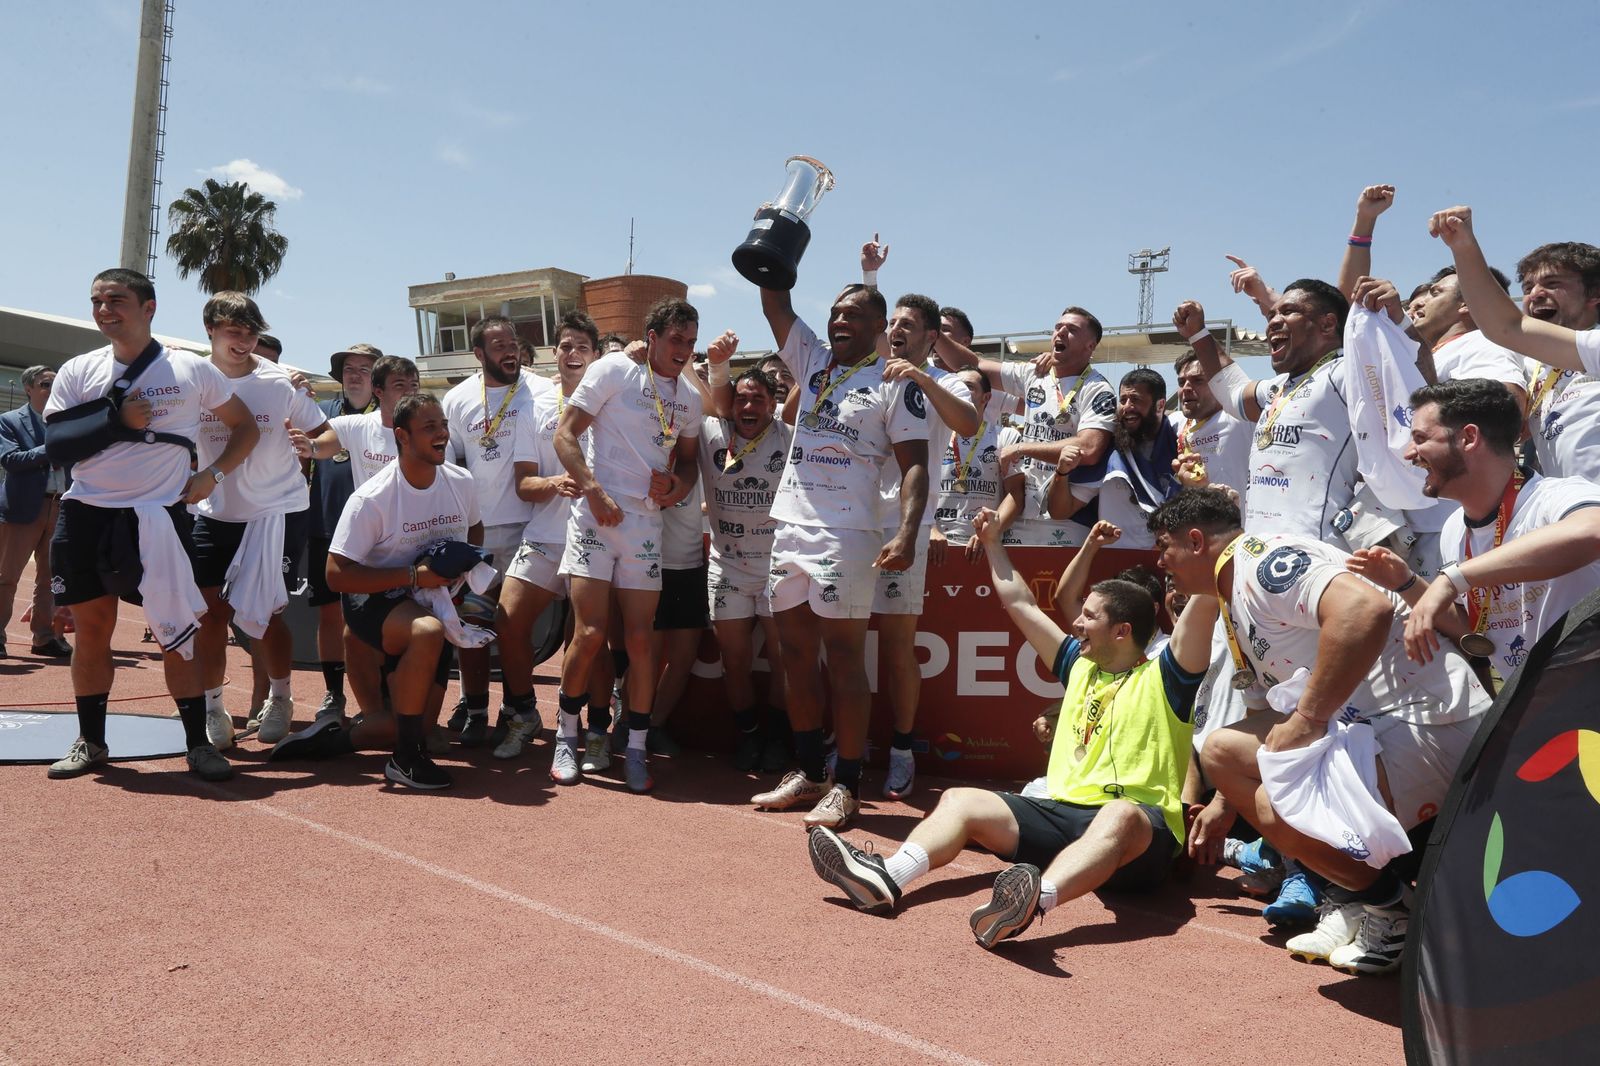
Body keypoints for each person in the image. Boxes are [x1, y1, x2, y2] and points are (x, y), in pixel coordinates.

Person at [807, 506, 1216, 947]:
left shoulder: (1168, 677)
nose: (1075, 621)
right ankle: (886, 876)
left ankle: (1033, 901)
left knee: (1118, 815)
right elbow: (1020, 602)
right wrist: (992, 544)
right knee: (961, 801)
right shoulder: (1078, 665)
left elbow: (1206, 599)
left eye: (1089, 616)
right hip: (1064, 816)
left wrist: (1210, 535)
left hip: (1139, 839)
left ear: (1122, 631)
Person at [1149, 488, 1492, 974]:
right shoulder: (1234, 589)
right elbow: (1265, 707)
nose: (1162, 563)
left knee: (1278, 799)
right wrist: (1226, 802)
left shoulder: (1263, 562)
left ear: (1197, 540)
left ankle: (1384, 908)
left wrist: (1308, 720)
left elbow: (1363, 609)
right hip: (1372, 724)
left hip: (1429, 721)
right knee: (1223, 752)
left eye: (1165, 547)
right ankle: (1363, 898)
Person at [44, 268, 260, 781]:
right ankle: (91, 741)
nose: (104, 310)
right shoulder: (78, 369)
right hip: (86, 513)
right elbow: (57, 445)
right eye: (97, 301)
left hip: (159, 518)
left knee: (175, 633)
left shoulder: (190, 369)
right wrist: (118, 423)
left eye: (116, 300)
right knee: (92, 630)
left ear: (149, 307)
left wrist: (213, 474)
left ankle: (197, 747)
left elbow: (245, 427)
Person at [743, 274, 928, 829]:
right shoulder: (814, 362)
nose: (839, 321)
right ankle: (809, 771)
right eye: (835, 314)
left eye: (853, 316)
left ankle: (846, 783)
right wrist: (780, 235)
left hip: (847, 536)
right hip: (790, 528)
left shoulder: (894, 383)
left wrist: (908, 531)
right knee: (794, 656)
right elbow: (773, 300)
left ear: (878, 328)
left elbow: (916, 463)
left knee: (845, 659)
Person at [1343, 379, 1600, 680]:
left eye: (1421, 438)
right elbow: (1480, 628)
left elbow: (1592, 533)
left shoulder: (1554, 497)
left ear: (1468, 437)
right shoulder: (1454, 529)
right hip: (1537, 704)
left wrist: (1453, 579)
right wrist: (1407, 584)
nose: (1409, 453)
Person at [550, 298, 704, 792]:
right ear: (653, 337)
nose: (683, 350)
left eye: (690, 342)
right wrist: (593, 491)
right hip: (595, 519)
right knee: (590, 635)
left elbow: (688, 465)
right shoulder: (614, 369)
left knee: (641, 643)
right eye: (675, 339)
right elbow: (565, 435)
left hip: (644, 527)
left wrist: (676, 489)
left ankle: (635, 748)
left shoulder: (691, 399)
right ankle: (566, 736)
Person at [315, 393, 482, 790]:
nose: (442, 433)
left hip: (427, 597)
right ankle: (405, 761)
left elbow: (474, 528)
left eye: (442, 425)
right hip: (371, 599)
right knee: (427, 630)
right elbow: (336, 575)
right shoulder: (371, 499)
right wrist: (412, 577)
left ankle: (333, 741)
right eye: (430, 428)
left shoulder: (462, 481)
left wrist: (461, 572)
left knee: (411, 725)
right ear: (402, 436)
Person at [186, 293, 329, 749]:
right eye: (233, 330)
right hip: (213, 512)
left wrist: (313, 447)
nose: (243, 339)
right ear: (210, 328)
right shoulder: (189, 378)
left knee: (266, 616)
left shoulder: (281, 382)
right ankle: (212, 708)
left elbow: (325, 435)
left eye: (250, 331)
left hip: (275, 512)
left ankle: (281, 699)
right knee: (209, 614)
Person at [492, 310, 617, 761]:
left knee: (591, 637)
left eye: (582, 346)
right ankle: (524, 713)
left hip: (596, 538)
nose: (572, 353)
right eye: (565, 345)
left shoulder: (613, 400)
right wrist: (554, 484)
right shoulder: (534, 407)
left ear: (597, 356)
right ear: (555, 353)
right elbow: (524, 482)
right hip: (544, 536)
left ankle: (598, 727)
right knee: (508, 622)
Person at [871, 279, 978, 799]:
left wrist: (920, 377)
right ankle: (830, 745)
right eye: (891, 323)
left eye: (906, 325)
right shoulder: (866, 373)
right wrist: (870, 277)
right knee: (836, 645)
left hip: (902, 530)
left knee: (897, 649)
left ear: (932, 337)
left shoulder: (946, 382)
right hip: (852, 527)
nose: (894, 331)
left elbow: (969, 421)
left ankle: (900, 750)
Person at [1423, 204, 1600, 482]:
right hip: (1575, 513)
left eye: (1552, 283)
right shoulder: (1533, 369)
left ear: (1595, 296)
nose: (1535, 295)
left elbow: (1507, 327)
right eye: (1528, 288)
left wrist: (1464, 247)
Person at [1173, 282, 1359, 544]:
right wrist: (1198, 334)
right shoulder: (1279, 387)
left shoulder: (1347, 373)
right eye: (1272, 315)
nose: (1273, 322)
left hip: (1317, 554)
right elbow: (1232, 390)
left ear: (1328, 324)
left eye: (1288, 312)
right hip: (1259, 550)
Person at [441, 315, 551, 745]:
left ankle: (518, 708)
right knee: (472, 624)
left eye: (514, 343)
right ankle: (475, 707)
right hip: (479, 532)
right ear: (478, 354)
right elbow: (448, 465)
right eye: (499, 345)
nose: (510, 351)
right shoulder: (457, 399)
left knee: (511, 625)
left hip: (532, 526)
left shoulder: (541, 392)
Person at [938, 305, 1114, 547]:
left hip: (1065, 521)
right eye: (1057, 327)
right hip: (1022, 519)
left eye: (1071, 329)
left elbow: (1090, 447)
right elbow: (974, 365)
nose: (1060, 332)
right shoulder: (1035, 374)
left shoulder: (1097, 389)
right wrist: (932, 333)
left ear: (1090, 346)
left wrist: (1023, 448)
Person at [698, 357, 792, 770]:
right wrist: (714, 366)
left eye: (758, 399)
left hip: (778, 566)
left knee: (783, 660)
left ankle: (775, 737)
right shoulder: (711, 433)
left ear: (773, 404)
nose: (748, 408)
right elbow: (699, 395)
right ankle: (750, 735)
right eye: (741, 400)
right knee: (734, 660)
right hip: (728, 568)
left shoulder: (790, 438)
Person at [303, 343, 380, 723]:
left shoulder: (386, 417)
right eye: (349, 368)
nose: (355, 375)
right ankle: (334, 695)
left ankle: (376, 698)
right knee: (330, 617)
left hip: (373, 536)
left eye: (365, 369)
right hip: (324, 528)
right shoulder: (324, 412)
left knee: (371, 619)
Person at [1048, 368, 1178, 550]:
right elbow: (1059, 511)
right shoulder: (1109, 452)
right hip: (1114, 564)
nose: (1127, 407)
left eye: (1136, 400)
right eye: (1123, 400)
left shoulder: (1179, 442)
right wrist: (1061, 473)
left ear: (1160, 405)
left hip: (1167, 562)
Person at [0, 366, 70, 658]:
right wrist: (52, 448)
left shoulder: (68, 422)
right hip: (23, 507)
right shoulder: (9, 420)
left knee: (51, 578)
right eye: (45, 384)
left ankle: (43, 637)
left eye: (56, 383)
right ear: (28, 389)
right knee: (6, 575)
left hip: (61, 505)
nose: (52, 388)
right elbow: (10, 459)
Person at [1169, 350, 1252, 505]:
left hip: (1239, 526)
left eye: (1198, 380)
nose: (1186, 388)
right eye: (1181, 382)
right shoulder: (1175, 423)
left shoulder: (1241, 418)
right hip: (1198, 524)